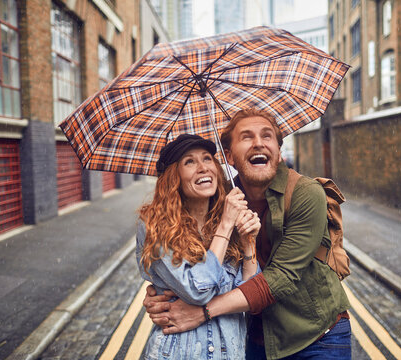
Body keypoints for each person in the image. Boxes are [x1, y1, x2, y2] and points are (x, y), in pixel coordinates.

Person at [143, 110, 352, 360]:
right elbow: (206, 271)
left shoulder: (306, 193)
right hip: (253, 339)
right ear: (229, 156)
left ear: (277, 149)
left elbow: (281, 278)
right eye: (246, 136)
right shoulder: (220, 203)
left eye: (267, 136)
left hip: (314, 337)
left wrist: (201, 312)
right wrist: (164, 294)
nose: (259, 143)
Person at [136, 134, 261, 360]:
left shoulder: (230, 218)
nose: (203, 168)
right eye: (190, 162)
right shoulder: (155, 225)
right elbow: (197, 290)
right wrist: (226, 225)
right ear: (174, 177)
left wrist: (248, 244)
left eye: (207, 158)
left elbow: (250, 297)